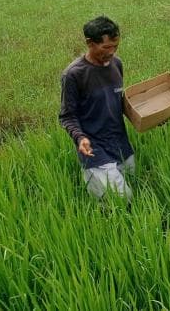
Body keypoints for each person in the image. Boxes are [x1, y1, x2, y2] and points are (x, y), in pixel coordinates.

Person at [59, 16, 135, 201]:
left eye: (115, 46)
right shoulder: (74, 75)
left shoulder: (117, 64)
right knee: (123, 199)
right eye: (106, 47)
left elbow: (118, 102)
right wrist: (80, 137)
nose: (112, 52)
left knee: (134, 181)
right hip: (94, 148)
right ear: (90, 43)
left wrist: (153, 117)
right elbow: (67, 116)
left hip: (120, 142)